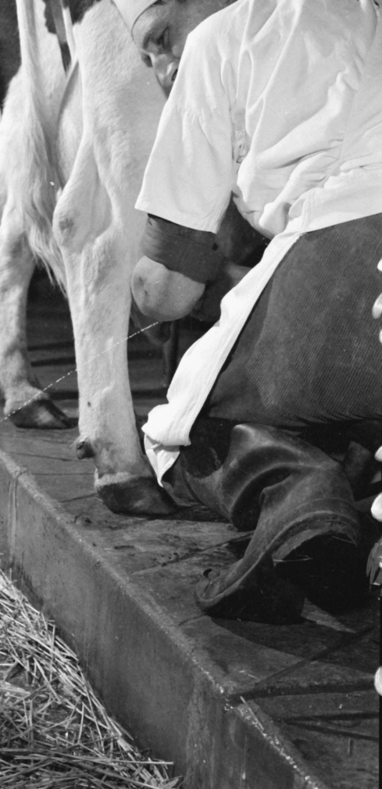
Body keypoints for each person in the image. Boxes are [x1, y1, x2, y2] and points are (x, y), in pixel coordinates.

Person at [113, 0, 382, 621]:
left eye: (159, 38)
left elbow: (166, 291)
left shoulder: (220, 39)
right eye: (147, 57)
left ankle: (299, 499)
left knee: (179, 436)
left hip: (337, 259)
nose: (159, 67)